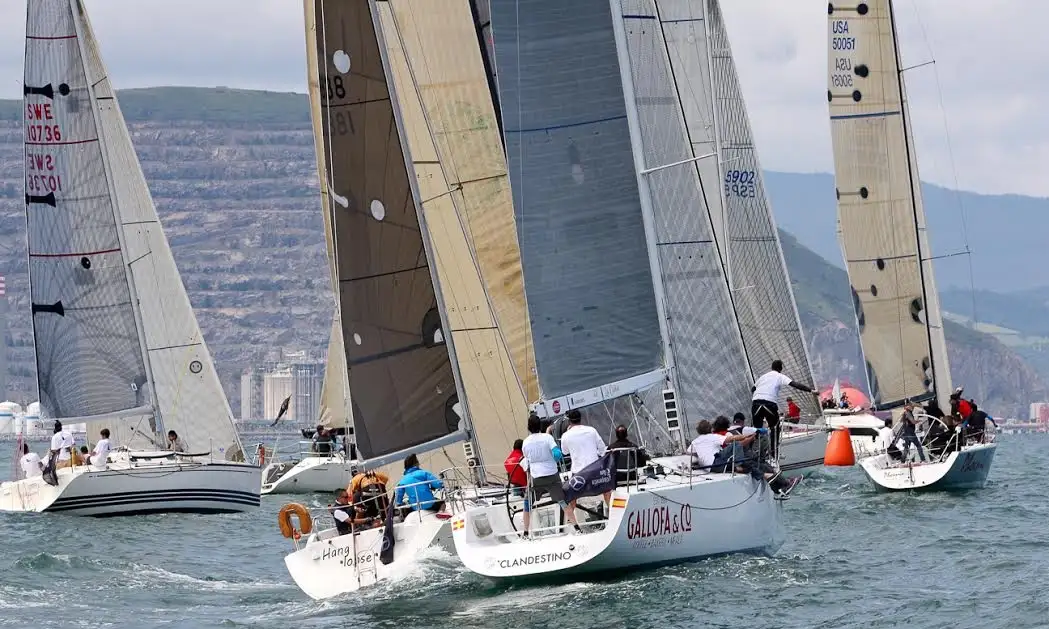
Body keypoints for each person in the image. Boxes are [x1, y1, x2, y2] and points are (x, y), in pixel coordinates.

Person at [520, 413, 576, 536]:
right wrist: (553, 461)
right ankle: (577, 527)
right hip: (551, 475)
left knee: (527, 504)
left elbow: (526, 459)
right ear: (540, 426)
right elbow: (557, 454)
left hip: (536, 478)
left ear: (528, 428)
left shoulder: (525, 442)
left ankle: (525, 533)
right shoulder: (547, 438)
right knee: (563, 501)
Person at [751, 360, 817, 459]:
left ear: (771, 367)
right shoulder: (780, 376)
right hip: (769, 403)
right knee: (775, 428)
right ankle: (774, 454)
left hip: (756, 402)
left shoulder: (763, 377)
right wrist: (811, 390)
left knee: (756, 430)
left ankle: (752, 454)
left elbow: (753, 389)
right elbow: (795, 384)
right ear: (780, 368)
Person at [689, 418, 754, 472]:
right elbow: (732, 439)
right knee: (737, 444)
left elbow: (689, 452)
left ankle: (738, 468)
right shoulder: (712, 437)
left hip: (706, 467)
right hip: (716, 463)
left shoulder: (695, 442)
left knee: (747, 466)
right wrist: (747, 435)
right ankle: (738, 465)